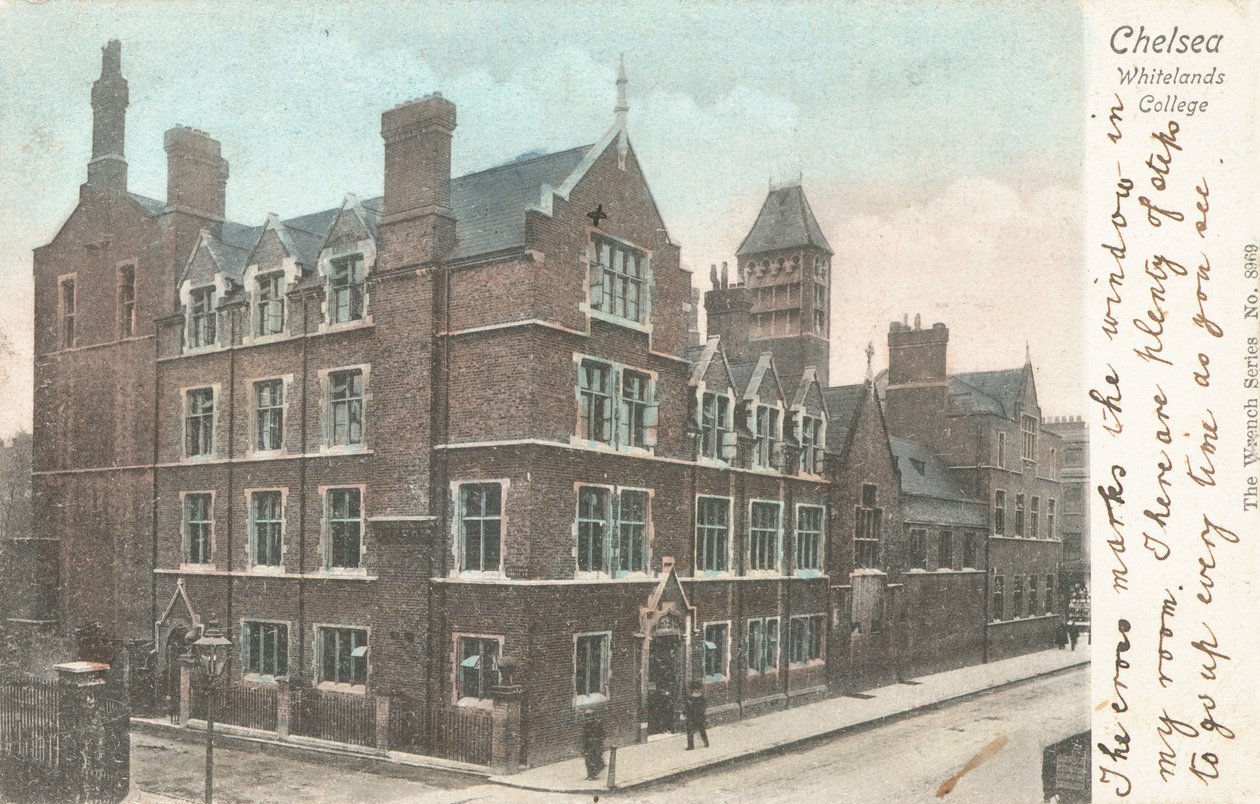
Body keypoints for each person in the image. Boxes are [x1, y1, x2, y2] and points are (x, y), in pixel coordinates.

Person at [581, 708, 605, 780]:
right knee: (587, 759)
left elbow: (602, 733)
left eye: (590, 716)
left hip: (596, 743)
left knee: (595, 758)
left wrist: (598, 740)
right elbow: (584, 735)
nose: (589, 718)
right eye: (587, 716)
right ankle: (590, 774)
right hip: (588, 743)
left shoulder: (598, 723)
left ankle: (594, 773)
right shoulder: (585, 724)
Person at [684, 681, 709, 750]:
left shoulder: (690, 699)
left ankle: (691, 746)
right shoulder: (701, 698)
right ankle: (706, 742)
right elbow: (703, 708)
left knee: (690, 731)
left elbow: (688, 709)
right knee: (702, 730)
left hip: (692, 717)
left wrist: (685, 714)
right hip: (700, 717)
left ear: (693, 689)